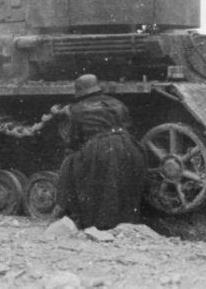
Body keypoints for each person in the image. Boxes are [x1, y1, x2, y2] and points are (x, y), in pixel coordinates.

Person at [55, 74, 146, 229]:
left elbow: (73, 140)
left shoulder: (76, 110)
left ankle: (69, 211)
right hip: (128, 144)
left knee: (70, 165)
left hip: (100, 147)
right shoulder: (117, 103)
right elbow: (128, 125)